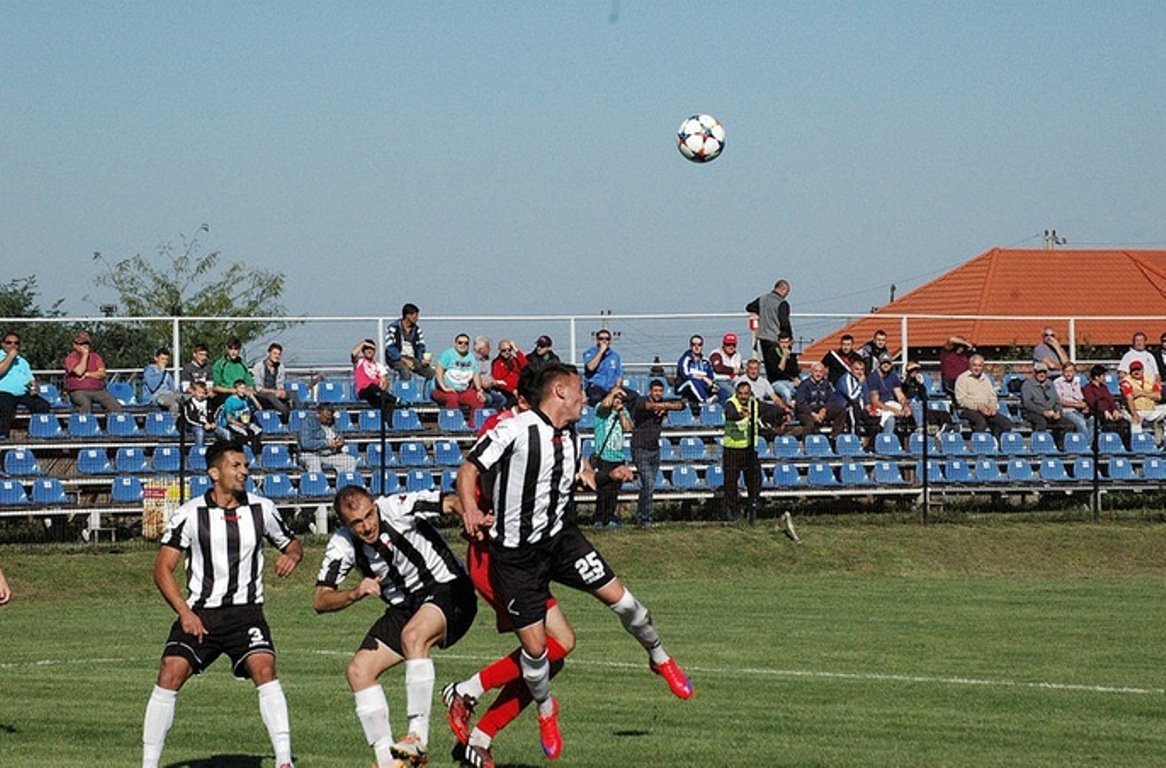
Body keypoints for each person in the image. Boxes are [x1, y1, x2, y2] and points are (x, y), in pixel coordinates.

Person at [455, 363, 692, 761]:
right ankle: (546, 713)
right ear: (561, 391)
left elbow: (581, 479)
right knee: (537, 651)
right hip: (516, 558)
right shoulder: (515, 428)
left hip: (563, 542)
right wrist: (469, 510)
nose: (586, 398)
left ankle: (660, 658)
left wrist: (609, 474)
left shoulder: (572, 435)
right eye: (581, 390)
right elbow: (468, 470)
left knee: (627, 603)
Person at [141, 442, 303, 768]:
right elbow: (162, 569)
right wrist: (185, 613)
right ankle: (148, 764)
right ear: (215, 473)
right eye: (236, 466)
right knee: (169, 673)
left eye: (246, 466)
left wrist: (292, 555)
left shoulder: (262, 508)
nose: (244, 471)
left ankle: (284, 761)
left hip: (246, 613)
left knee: (265, 669)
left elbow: (292, 542)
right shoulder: (189, 514)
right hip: (200, 614)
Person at [314, 486, 477, 768]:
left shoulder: (398, 507)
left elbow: (450, 502)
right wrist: (355, 592)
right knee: (358, 671)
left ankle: (417, 739)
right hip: (406, 607)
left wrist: (468, 517)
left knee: (413, 636)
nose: (367, 526)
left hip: (450, 589)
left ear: (375, 505)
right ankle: (389, 762)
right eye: (357, 523)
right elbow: (320, 598)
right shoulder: (343, 544)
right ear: (344, 525)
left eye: (369, 515)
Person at [629, 378, 685, 527]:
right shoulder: (641, 400)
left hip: (655, 449)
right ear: (650, 391)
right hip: (640, 448)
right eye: (655, 391)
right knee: (649, 483)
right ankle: (647, 518)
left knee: (647, 486)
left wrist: (665, 406)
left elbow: (682, 405)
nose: (658, 393)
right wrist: (662, 406)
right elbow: (647, 406)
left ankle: (641, 517)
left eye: (660, 391)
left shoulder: (664, 402)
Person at [591, 386, 633, 528]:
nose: (618, 400)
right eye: (617, 398)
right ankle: (599, 517)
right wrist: (613, 391)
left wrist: (620, 412)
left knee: (614, 491)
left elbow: (628, 428)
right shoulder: (601, 411)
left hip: (618, 457)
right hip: (604, 457)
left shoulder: (623, 411)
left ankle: (609, 517)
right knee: (603, 490)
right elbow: (604, 405)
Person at [722, 379, 762, 523]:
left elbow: (768, 410)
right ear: (736, 393)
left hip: (749, 448)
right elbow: (730, 414)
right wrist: (741, 415)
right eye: (741, 394)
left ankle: (751, 509)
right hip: (732, 449)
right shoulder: (730, 403)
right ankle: (732, 513)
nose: (743, 397)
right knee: (731, 483)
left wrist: (784, 410)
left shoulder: (754, 403)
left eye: (746, 393)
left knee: (755, 481)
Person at [0, 331, 50, 440]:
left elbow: (30, 380)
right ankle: (3, 437)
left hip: (22, 393)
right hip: (3, 392)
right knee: (6, 407)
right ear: (3, 344)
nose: (13, 346)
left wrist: (34, 388)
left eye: (16, 343)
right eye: (9, 343)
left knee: (43, 405)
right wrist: (10, 357)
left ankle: (37, 434)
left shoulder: (22, 361)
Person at [431, 333, 487, 428]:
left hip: (462, 390)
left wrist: (479, 390)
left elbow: (475, 373)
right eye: (460, 342)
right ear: (455, 343)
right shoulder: (448, 354)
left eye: (466, 343)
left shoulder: (471, 357)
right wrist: (444, 387)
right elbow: (439, 370)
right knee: (452, 398)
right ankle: (454, 426)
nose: (463, 345)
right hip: (442, 391)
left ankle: (472, 427)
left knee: (479, 400)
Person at [63, 330, 124, 414]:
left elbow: (102, 373)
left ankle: (114, 425)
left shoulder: (96, 357)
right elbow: (79, 372)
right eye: (81, 344)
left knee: (114, 405)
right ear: (75, 345)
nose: (85, 346)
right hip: (78, 391)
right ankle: (86, 425)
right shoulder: (71, 358)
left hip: (98, 390)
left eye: (87, 343)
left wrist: (88, 374)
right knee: (85, 404)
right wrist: (85, 356)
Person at [953, 354, 1014, 438]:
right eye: (974, 365)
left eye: (979, 366)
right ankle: (979, 446)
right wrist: (978, 407)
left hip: (986, 409)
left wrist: (992, 407)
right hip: (966, 410)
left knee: (1005, 423)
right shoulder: (962, 378)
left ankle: (999, 444)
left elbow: (992, 396)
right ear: (970, 365)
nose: (977, 368)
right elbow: (961, 400)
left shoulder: (986, 378)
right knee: (981, 421)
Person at [748, 279, 792, 383]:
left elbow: (749, 307)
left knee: (768, 367)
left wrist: (758, 313)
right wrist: (789, 337)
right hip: (776, 339)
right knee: (779, 367)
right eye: (787, 292)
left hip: (763, 338)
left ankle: (771, 385)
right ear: (783, 289)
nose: (787, 295)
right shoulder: (782, 303)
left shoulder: (762, 299)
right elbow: (784, 323)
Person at [1020, 362, 1073, 447]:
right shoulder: (1027, 385)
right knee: (1041, 423)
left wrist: (1058, 412)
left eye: (1044, 372)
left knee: (1069, 424)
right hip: (1034, 412)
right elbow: (1028, 403)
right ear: (1035, 372)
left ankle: (1061, 445)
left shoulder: (1050, 384)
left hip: (1051, 412)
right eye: (1039, 372)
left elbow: (1057, 401)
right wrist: (1042, 412)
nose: (1042, 374)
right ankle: (1039, 446)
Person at [732, 358, 793, 432]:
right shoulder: (741, 381)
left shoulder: (764, 381)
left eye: (755, 369)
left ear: (759, 370)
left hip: (762, 406)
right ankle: (763, 422)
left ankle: (772, 429)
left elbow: (775, 398)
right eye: (751, 369)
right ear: (747, 369)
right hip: (749, 405)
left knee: (781, 410)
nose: (753, 371)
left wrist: (785, 409)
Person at [835, 359, 886, 443]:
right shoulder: (845, 379)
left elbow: (866, 394)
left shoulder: (861, 379)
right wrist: (861, 384)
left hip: (859, 408)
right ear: (851, 369)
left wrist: (868, 406)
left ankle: (871, 445)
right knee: (855, 410)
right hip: (845, 408)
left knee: (875, 419)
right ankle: (855, 442)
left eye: (862, 369)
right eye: (857, 369)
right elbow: (852, 397)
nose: (860, 372)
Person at [298, 404, 357, 474]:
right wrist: (327, 443)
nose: (329, 421)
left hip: (330, 455)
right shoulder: (308, 422)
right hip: (311, 454)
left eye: (330, 418)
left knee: (350, 460)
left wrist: (340, 442)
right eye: (326, 418)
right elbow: (305, 443)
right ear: (318, 414)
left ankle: (346, 483)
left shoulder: (333, 422)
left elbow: (339, 436)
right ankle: (317, 484)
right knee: (314, 461)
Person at [1082, 365, 1132, 447]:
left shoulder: (1104, 388)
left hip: (1109, 412)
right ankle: (1109, 445)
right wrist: (1105, 410)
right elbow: (1092, 402)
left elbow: (1111, 400)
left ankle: (1124, 446)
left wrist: (1115, 410)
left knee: (1125, 423)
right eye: (1103, 376)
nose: (1104, 378)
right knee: (1109, 424)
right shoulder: (1087, 388)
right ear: (1096, 377)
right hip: (1097, 412)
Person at [794, 362, 847, 437]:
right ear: (811, 372)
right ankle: (807, 442)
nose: (818, 374)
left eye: (820, 372)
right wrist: (813, 414)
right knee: (810, 423)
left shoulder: (826, 384)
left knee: (841, 410)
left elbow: (831, 399)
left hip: (822, 410)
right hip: (807, 412)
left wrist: (824, 410)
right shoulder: (804, 385)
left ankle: (834, 436)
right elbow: (800, 404)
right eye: (816, 371)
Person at [385, 303, 436, 381]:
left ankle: (429, 392)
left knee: (431, 373)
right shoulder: (393, 328)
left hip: (413, 359)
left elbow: (420, 346)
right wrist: (403, 360)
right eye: (415, 316)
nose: (417, 318)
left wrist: (422, 359)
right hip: (395, 359)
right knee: (405, 372)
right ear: (408, 316)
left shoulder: (417, 330)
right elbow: (390, 348)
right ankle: (403, 392)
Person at [1118, 360, 1166, 442]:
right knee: (1135, 420)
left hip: (1151, 409)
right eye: (1134, 370)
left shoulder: (1150, 379)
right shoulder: (1126, 381)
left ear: (1143, 370)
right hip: (1134, 410)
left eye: (1138, 369)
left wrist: (1141, 393)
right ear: (1130, 371)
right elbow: (1128, 398)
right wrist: (1134, 413)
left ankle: (1162, 441)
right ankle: (1138, 445)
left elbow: (1158, 396)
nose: (1136, 372)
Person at [352, 339, 397, 423]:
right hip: (364, 391)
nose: (369, 350)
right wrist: (364, 343)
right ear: (363, 351)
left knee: (388, 402)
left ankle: (387, 423)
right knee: (372, 387)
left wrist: (383, 388)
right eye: (367, 348)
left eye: (371, 349)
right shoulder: (360, 362)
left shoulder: (378, 365)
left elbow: (385, 381)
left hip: (377, 393)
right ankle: (395, 399)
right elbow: (353, 353)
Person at [867, 354, 912, 434]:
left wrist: (905, 406)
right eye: (883, 363)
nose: (886, 365)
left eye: (888, 363)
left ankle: (920, 432)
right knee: (890, 419)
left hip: (893, 404)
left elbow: (900, 395)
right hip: (880, 407)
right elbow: (875, 402)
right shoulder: (873, 377)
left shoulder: (893, 376)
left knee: (916, 407)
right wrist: (894, 410)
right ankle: (887, 442)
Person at [250, 342, 296, 420]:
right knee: (270, 396)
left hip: (275, 392)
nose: (277, 356)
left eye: (279, 354)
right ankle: (286, 415)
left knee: (292, 393)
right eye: (274, 353)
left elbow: (280, 383)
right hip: (262, 395)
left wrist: (281, 391)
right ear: (269, 353)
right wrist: (274, 392)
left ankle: (298, 415)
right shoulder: (259, 367)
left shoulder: (280, 367)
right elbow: (259, 388)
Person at [218, 378, 263, 455]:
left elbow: (260, 408)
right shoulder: (230, 401)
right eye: (241, 388)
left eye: (244, 388)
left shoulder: (246, 399)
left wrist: (252, 397)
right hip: (233, 423)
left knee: (257, 431)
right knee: (243, 434)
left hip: (245, 422)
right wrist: (240, 425)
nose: (243, 390)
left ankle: (256, 454)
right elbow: (229, 419)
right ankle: (243, 453)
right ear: (236, 389)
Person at [581, 328, 624, 405]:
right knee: (597, 397)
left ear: (610, 341)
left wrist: (617, 388)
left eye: (607, 339)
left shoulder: (615, 356)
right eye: (601, 339)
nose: (604, 341)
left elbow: (619, 375)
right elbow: (590, 367)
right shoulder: (590, 353)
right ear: (597, 340)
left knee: (632, 397)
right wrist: (601, 352)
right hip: (596, 387)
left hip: (611, 388)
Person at [210, 337, 255, 411]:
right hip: (226, 393)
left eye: (236, 349)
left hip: (242, 393)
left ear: (239, 350)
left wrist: (248, 390)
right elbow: (216, 387)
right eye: (231, 349)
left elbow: (249, 383)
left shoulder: (243, 364)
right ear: (227, 348)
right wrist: (233, 390)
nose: (233, 352)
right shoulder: (219, 364)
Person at [1053, 362, 1092, 443]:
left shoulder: (1076, 381)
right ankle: (1086, 445)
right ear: (1063, 372)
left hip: (1078, 410)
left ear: (1074, 372)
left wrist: (1084, 405)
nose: (1068, 374)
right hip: (1066, 410)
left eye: (1070, 371)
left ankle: (1091, 444)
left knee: (1092, 420)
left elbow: (1080, 398)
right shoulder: (1057, 382)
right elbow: (1059, 400)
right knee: (1081, 422)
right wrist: (1076, 404)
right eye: (1066, 371)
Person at [181, 380, 227, 447]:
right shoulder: (188, 403)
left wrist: (213, 422)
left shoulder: (208, 402)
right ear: (193, 392)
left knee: (224, 432)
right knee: (200, 432)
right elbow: (189, 418)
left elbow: (212, 414)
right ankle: (199, 452)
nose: (201, 395)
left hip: (209, 426)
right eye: (199, 392)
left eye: (203, 393)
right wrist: (203, 424)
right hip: (195, 426)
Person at [675, 334, 717, 405]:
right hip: (684, 387)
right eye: (694, 344)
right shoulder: (685, 359)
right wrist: (702, 377)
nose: (697, 347)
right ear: (690, 346)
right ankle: (705, 400)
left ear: (702, 346)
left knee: (717, 387)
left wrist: (711, 384)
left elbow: (710, 377)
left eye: (699, 345)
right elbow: (686, 375)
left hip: (702, 386)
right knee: (691, 381)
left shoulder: (705, 361)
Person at [142, 347, 181, 419]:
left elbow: (172, 388)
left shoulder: (167, 373)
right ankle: (172, 426)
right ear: (156, 358)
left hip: (168, 394)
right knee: (174, 405)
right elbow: (153, 386)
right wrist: (161, 372)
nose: (165, 362)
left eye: (166, 359)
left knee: (187, 399)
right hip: (155, 398)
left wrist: (179, 394)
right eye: (162, 359)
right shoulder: (149, 371)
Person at [472, 336, 509, 411]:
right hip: (476, 388)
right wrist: (482, 383)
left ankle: (492, 416)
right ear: (481, 349)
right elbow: (475, 375)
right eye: (487, 347)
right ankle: (484, 416)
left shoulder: (489, 360)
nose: (490, 349)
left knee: (502, 399)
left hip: (489, 387)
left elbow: (490, 375)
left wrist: (494, 382)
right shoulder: (473, 360)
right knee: (488, 399)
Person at [490, 339, 527, 407]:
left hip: (519, 389)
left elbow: (525, 366)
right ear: (500, 350)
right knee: (513, 401)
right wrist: (512, 390)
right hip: (506, 391)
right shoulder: (497, 363)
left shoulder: (515, 360)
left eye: (509, 350)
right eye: (504, 350)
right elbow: (499, 381)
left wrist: (516, 349)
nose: (507, 352)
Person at [769, 331, 801, 406]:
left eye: (786, 342)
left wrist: (796, 380)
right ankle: (787, 412)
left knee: (803, 388)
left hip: (790, 382)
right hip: (777, 382)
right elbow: (778, 372)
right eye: (782, 342)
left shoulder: (792, 357)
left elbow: (795, 373)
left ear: (790, 342)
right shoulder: (772, 353)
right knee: (786, 392)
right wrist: (784, 357)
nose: (784, 345)